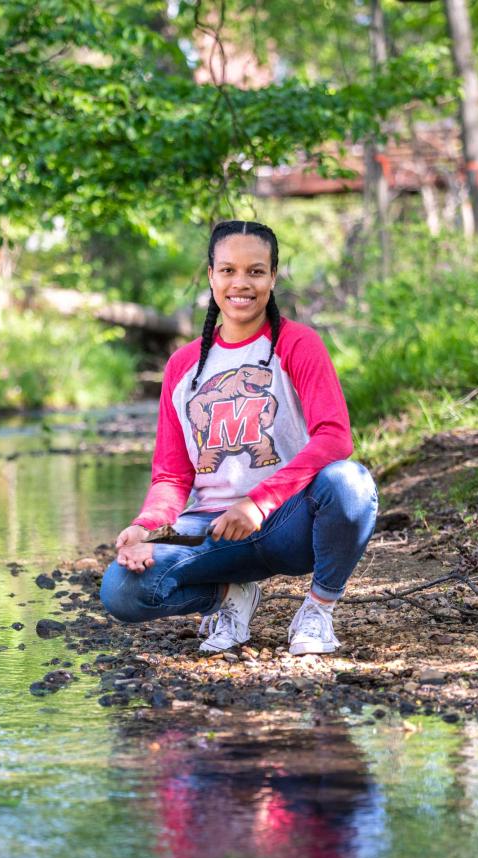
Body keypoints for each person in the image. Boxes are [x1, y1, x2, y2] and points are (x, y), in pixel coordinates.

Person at [100, 220, 377, 654]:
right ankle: (231, 596)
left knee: (350, 483)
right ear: (210, 276)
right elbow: (172, 477)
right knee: (121, 589)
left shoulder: (299, 345)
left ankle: (318, 611)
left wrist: (259, 501)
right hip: (211, 529)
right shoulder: (182, 366)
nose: (240, 283)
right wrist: (146, 527)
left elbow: (335, 438)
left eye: (255, 271)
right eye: (228, 270)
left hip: (289, 522)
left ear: (272, 277)